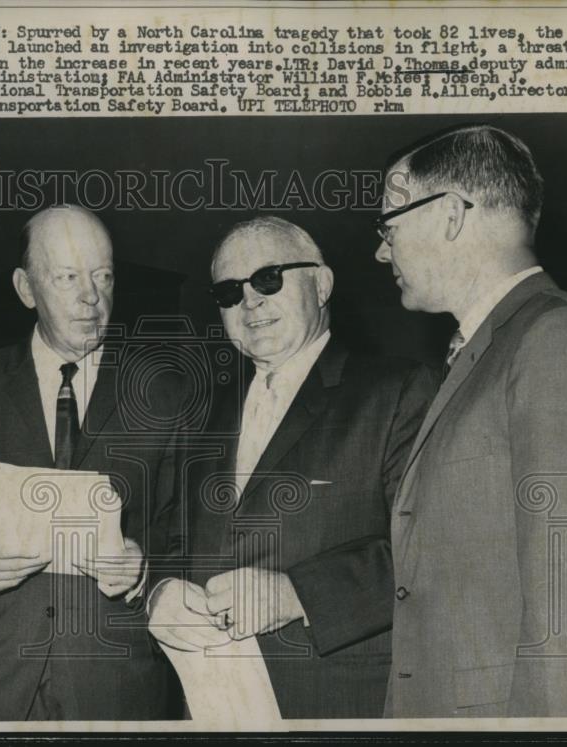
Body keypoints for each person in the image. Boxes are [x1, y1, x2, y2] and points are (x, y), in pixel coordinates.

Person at [147, 216, 436, 718]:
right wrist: (160, 592)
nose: (250, 301)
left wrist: (297, 593)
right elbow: (172, 539)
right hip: (211, 703)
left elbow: (435, 550)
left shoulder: (397, 391)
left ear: (321, 284)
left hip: (339, 704)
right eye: (229, 291)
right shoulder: (201, 414)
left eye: (268, 279)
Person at [0, 204, 185, 720]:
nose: (91, 297)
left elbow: (187, 530)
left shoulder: (164, 394)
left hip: (113, 679)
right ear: (25, 287)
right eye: (67, 277)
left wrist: (144, 566)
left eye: (104, 276)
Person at [374, 124, 567, 717]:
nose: (381, 250)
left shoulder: (556, 338)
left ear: (449, 214)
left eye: (389, 225)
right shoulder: (484, 351)